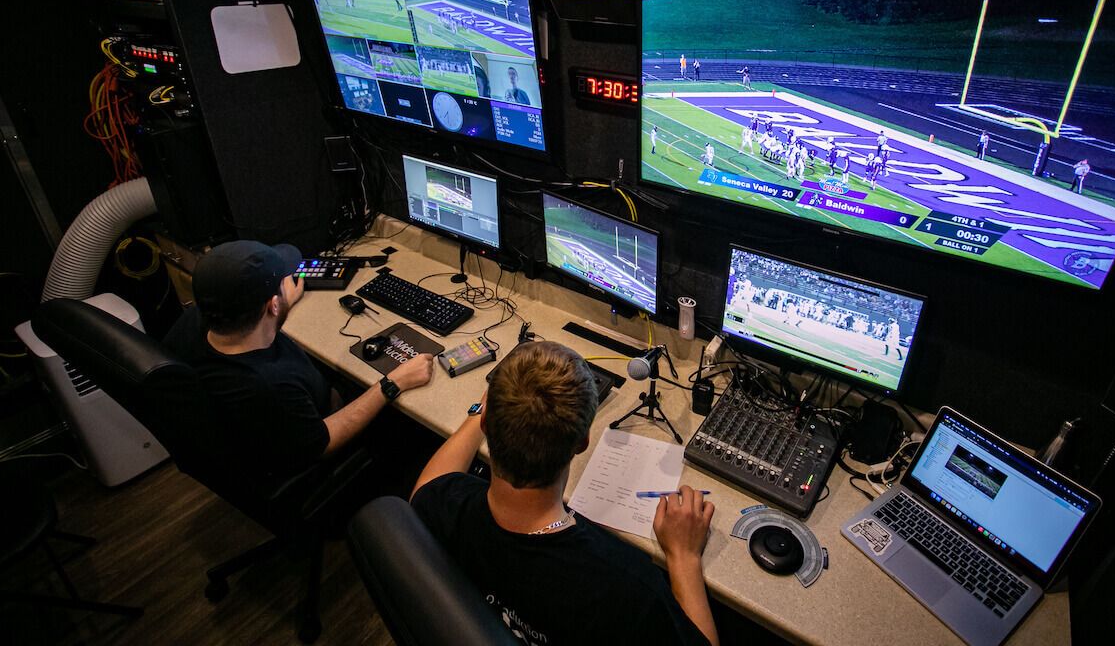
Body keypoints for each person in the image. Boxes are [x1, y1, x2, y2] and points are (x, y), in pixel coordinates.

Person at [410, 342, 718, 645]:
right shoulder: (626, 589)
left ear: (487, 423)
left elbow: (427, 486)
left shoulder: (448, 507)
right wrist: (684, 558)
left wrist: (483, 412)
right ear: (582, 442)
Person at [164, 241, 435, 486]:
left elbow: (255, 324)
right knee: (416, 422)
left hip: (254, 435)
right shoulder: (267, 386)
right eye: (281, 286)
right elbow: (322, 442)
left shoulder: (193, 323)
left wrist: (281, 307)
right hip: (312, 448)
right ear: (271, 305)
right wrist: (392, 383)